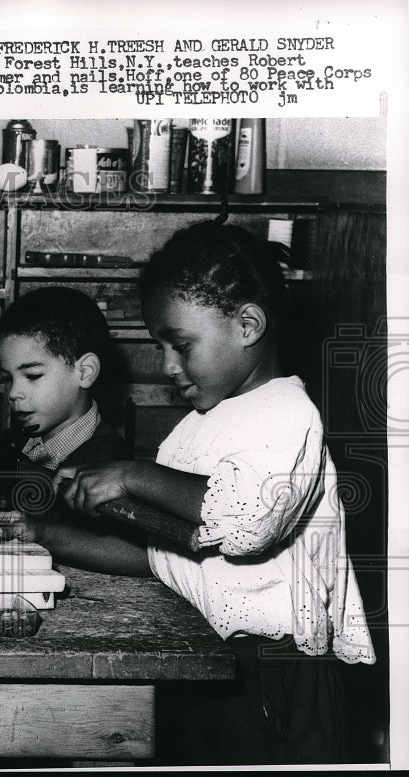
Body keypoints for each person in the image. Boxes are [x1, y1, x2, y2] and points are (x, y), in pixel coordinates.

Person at [55, 220, 376, 764]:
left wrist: (130, 474)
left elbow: (245, 523)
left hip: (274, 677)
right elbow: (163, 555)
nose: (167, 366)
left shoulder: (286, 413)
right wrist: (46, 536)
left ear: (248, 324)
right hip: (209, 660)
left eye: (180, 345)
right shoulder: (201, 423)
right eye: (160, 346)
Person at [0, 287, 147, 573]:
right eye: (8, 378)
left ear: (84, 372)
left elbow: (89, 541)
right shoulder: (8, 444)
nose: (14, 393)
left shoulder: (111, 463)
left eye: (32, 376)